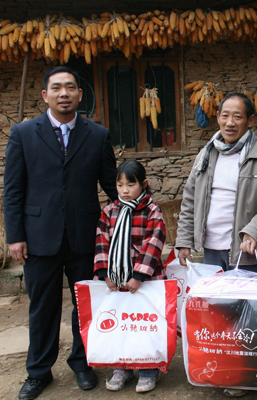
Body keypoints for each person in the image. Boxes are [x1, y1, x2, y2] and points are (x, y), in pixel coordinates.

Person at [4, 66, 117, 400]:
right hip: (38, 236)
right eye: (57, 88)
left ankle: (82, 364)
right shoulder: (23, 133)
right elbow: (13, 190)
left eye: (70, 87)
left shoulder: (97, 135)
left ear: (81, 95)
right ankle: (38, 372)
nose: (64, 93)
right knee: (43, 307)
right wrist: (15, 236)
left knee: (85, 305)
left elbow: (112, 185)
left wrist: (141, 210)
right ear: (45, 95)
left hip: (85, 236)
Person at [175, 93, 257, 397]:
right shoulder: (207, 155)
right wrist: (184, 240)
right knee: (218, 314)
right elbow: (190, 201)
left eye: (238, 116)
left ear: (251, 121)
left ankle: (244, 373)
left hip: (246, 251)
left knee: (246, 317)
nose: (229, 122)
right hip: (211, 248)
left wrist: (253, 231)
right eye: (224, 115)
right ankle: (220, 367)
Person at [94, 160, 166, 393]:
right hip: (116, 283)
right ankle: (121, 368)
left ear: (143, 184)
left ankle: (147, 370)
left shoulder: (152, 210)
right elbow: (101, 242)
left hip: (145, 281)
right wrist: (105, 274)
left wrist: (139, 275)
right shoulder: (109, 211)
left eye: (131, 184)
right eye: (120, 184)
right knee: (119, 325)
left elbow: (154, 243)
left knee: (144, 326)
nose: (125, 190)